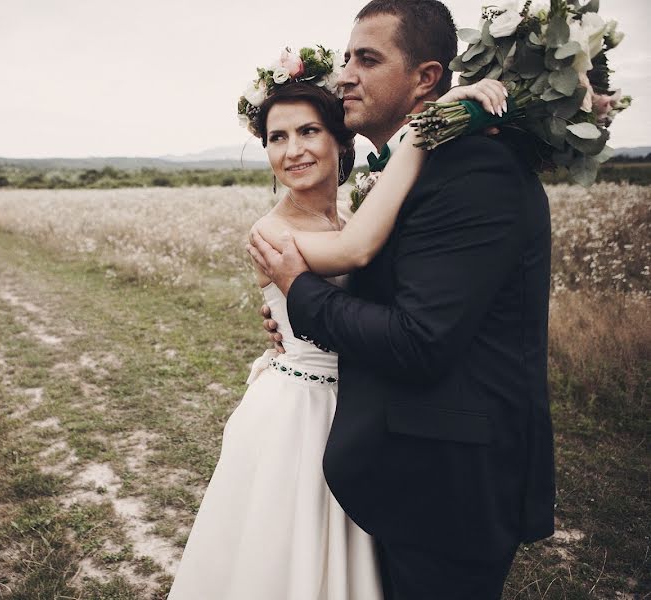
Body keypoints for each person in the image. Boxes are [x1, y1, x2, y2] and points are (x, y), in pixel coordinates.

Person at [167, 39, 508, 599]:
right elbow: (355, 253)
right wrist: (427, 130)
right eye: (276, 137)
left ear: (338, 137)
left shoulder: (349, 210)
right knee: (289, 554)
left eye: (307, 131)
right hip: (299, 412)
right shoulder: (270, 233)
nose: (292, 150)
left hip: (360, 404)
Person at [248, 1, 556, 599]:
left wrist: (303, 296)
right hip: (402, 467)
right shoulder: (409, 171)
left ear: (426, 79)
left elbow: (420, 339)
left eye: (367, 59)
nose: (345, 76)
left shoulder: (475, 171)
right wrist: (291, 313)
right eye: (345, 59)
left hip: (450, 484)